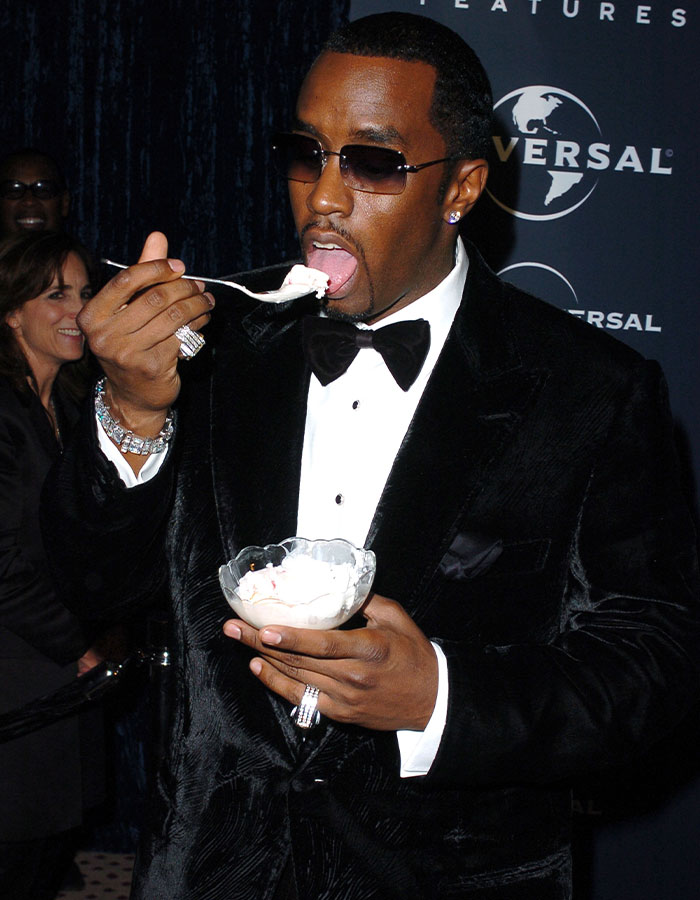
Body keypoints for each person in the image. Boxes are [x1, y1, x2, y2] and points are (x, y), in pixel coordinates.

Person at [41, 13, 699, 900]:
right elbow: (94, 590)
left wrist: (441, 698)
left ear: (462, 186)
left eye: (374, 163)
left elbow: (651, 670)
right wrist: (129, 411)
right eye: (305, 152)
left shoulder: (593, 390)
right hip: (211, 871)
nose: (322, 197)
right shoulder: (209, 344)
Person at [0, 230, 103, 898]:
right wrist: (80, 645)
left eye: (84, 293)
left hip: (62, 672)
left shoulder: (70, 399)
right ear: (10, 311)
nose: (78, 310)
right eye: (55, 294)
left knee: (49, 850)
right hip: (16, 671)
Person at [0, 149, 70, 239]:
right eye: (14, 190)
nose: (29, 201)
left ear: (64, 203)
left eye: (43, 190)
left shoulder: (78, 253)